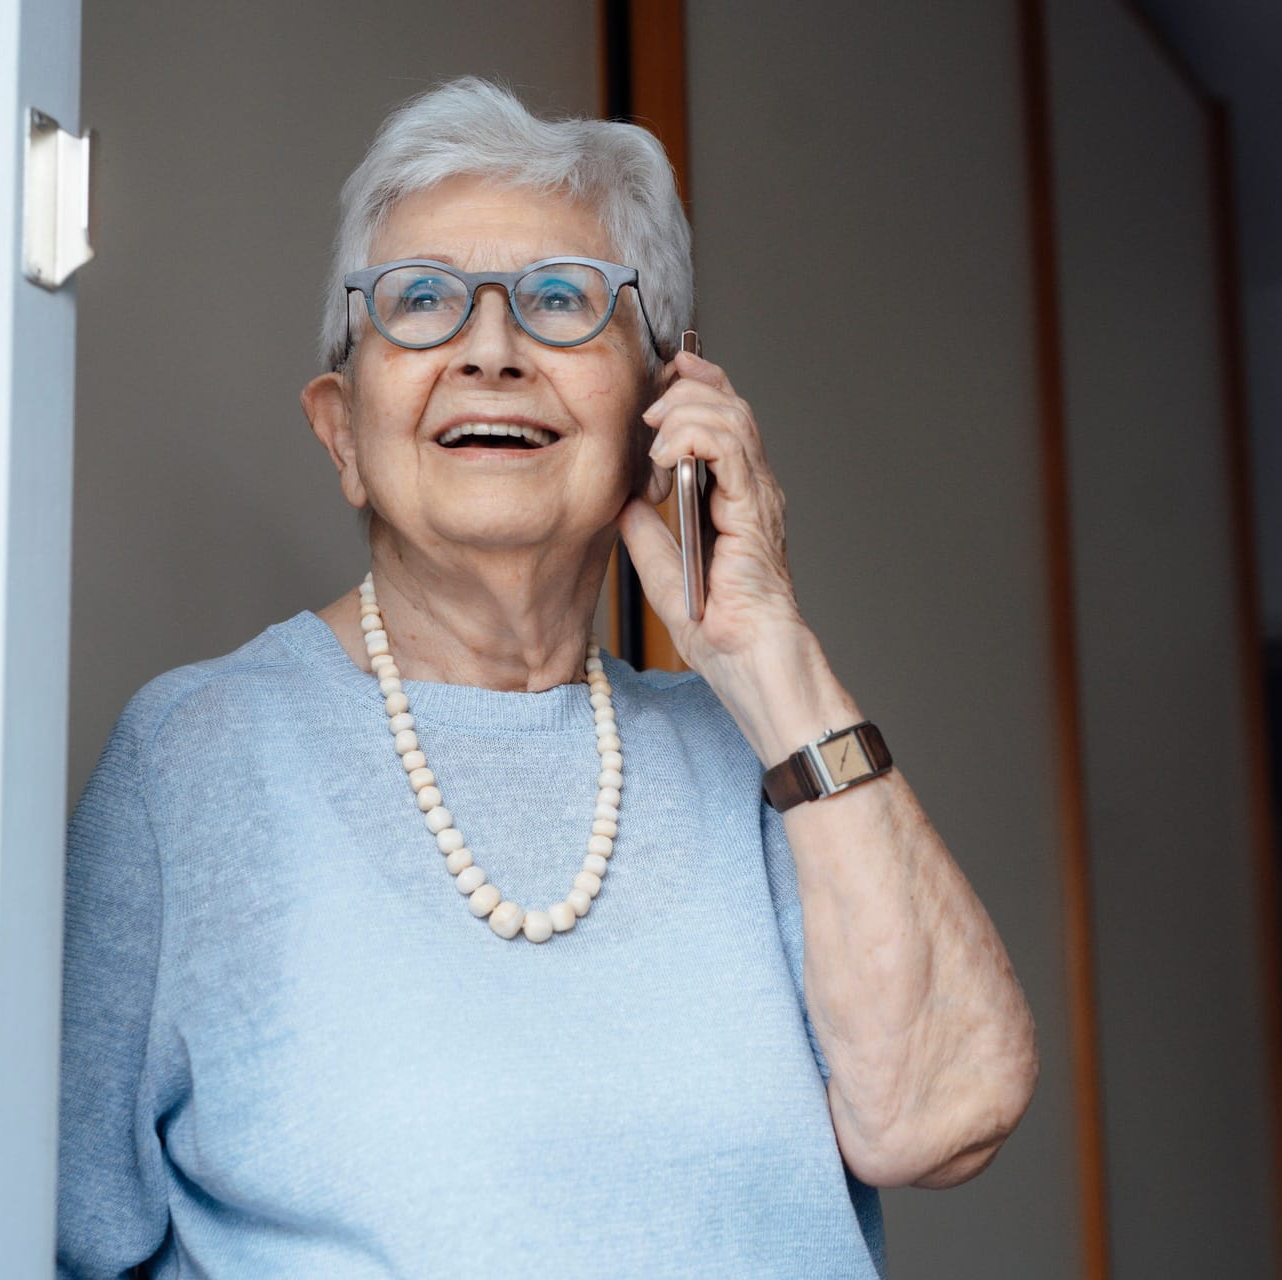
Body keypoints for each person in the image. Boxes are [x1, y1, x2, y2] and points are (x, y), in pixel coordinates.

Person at [57, 77, 1038, 1279]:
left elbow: (946, 1117)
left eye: (561, 300)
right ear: (341, 432)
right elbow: (40, 1233)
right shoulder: (193, 756)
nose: (489, 349)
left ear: (663, 412)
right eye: (419, 299)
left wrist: (768, 652)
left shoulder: (757, 755)